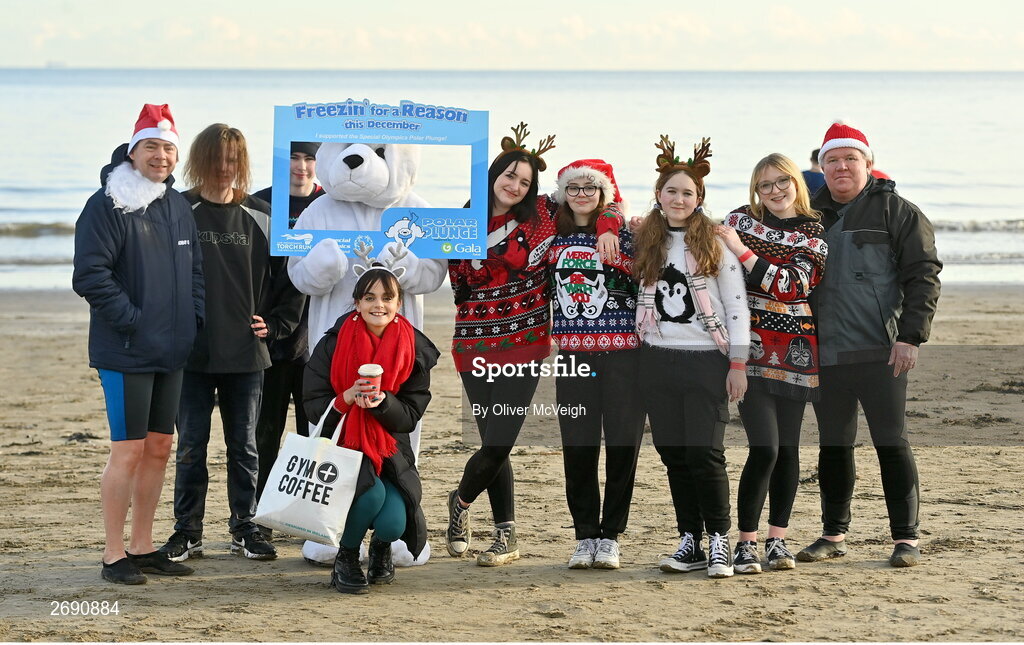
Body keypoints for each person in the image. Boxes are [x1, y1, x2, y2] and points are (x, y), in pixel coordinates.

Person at [445, 123, 622, 567]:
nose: (515, 186)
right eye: (509, 176)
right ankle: (507, 535)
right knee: (491, 440)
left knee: (501, 440)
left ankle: (461, 502)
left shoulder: (543, 214)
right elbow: (448, 273)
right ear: (493, 176)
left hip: (525, 342)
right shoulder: (463, 219)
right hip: (473, 342)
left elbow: (601, 196)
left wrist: (608, 226)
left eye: (524, 181)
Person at [159, 123, 304, 563]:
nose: (223, 168)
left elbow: (292, 277)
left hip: (246, 353)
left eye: (231, 161)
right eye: (216, 159)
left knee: (245, 447)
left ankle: (246, 528)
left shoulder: (262, 214)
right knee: (190, 448)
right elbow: (157, 273)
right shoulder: (178, 210)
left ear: (241, 165)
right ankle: (188, 531)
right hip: (192, 352)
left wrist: (277, 326)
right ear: (199, 161)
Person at [799, 121, 941, 568]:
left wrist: (910, 337)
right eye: (832, 160)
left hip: (882, 350)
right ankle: (833, 534)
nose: (841, 167)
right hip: (825, 352)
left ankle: (906, 539)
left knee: (890, 442)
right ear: (821, 167)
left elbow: (923, 277)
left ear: (868, 163)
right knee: (833, 444)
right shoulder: (807, 215)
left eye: (850, 159)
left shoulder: (899, 212)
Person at [73, 104, 203, 584]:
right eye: (152, 146)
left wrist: (194, 318)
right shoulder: (106, 203)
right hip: (126, 350)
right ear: (134, 151)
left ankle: (143, 545)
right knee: (127, 450)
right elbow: (90, 275)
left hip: (171, 350)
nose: (162, 156)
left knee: (160, 446)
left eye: (169, 147)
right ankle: (113, 554)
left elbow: (194, 274)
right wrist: (132, 320)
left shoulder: (175, 205)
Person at [633, 135, 750, 579]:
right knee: (673, 454)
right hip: (657, 359)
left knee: (705, 453)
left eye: (688, 192)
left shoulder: (714, 244)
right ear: (659, 195)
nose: (679, 198)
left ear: (699, 198)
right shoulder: (647, 239)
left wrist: (738, 363)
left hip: (706, 359)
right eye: (671, 191)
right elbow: (600, 211)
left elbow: (737, 305)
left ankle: (720, 540)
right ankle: (691, 541)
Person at [715, 153, 828, 573]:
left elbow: (790, 285)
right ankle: (745, 542)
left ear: (797, 182)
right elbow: (702, 247)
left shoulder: (813, 231)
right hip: (750, 350)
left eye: (783, 181)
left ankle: (777, 539)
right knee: (765, 447)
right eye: (765, 185)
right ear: (755, 191)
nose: (775, 191)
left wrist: (741, 250)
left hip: (797, 352)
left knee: (789, 450)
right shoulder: (739, 219)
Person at [303, 267, 439, 594]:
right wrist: (346, 398)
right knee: (371, 492)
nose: (379, 305)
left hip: (390, 448)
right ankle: (346, 557)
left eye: (387, 298)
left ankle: (379, 550)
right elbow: (311, 402)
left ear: (399, 303)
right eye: (370, 297)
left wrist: (382, 402)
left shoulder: (414, 348)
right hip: (343, 446)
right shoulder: (333, 344)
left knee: (393, 521)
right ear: (357, 303)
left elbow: (409, 415)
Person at [547, 159, 643, 570]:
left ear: (605, 194)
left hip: (625, 355)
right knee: (578, 446)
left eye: (591, 188)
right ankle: (585, 534)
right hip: (573, 356)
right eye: (574, 188)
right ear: (564, 194)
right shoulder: (552, 233)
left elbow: (649, 274)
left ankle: (611, 536)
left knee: (623, 446)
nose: (582, 194)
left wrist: (617, 236)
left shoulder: (627, 232)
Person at [251, 142, 324, 532]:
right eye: (294, 158)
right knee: (267, 431)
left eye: (309, 158)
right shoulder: (262, 204)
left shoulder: (331, 205)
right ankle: (263, 512)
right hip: (273, 335)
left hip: (319, 338)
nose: (301, 166)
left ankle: (309, 515)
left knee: (313, 432)